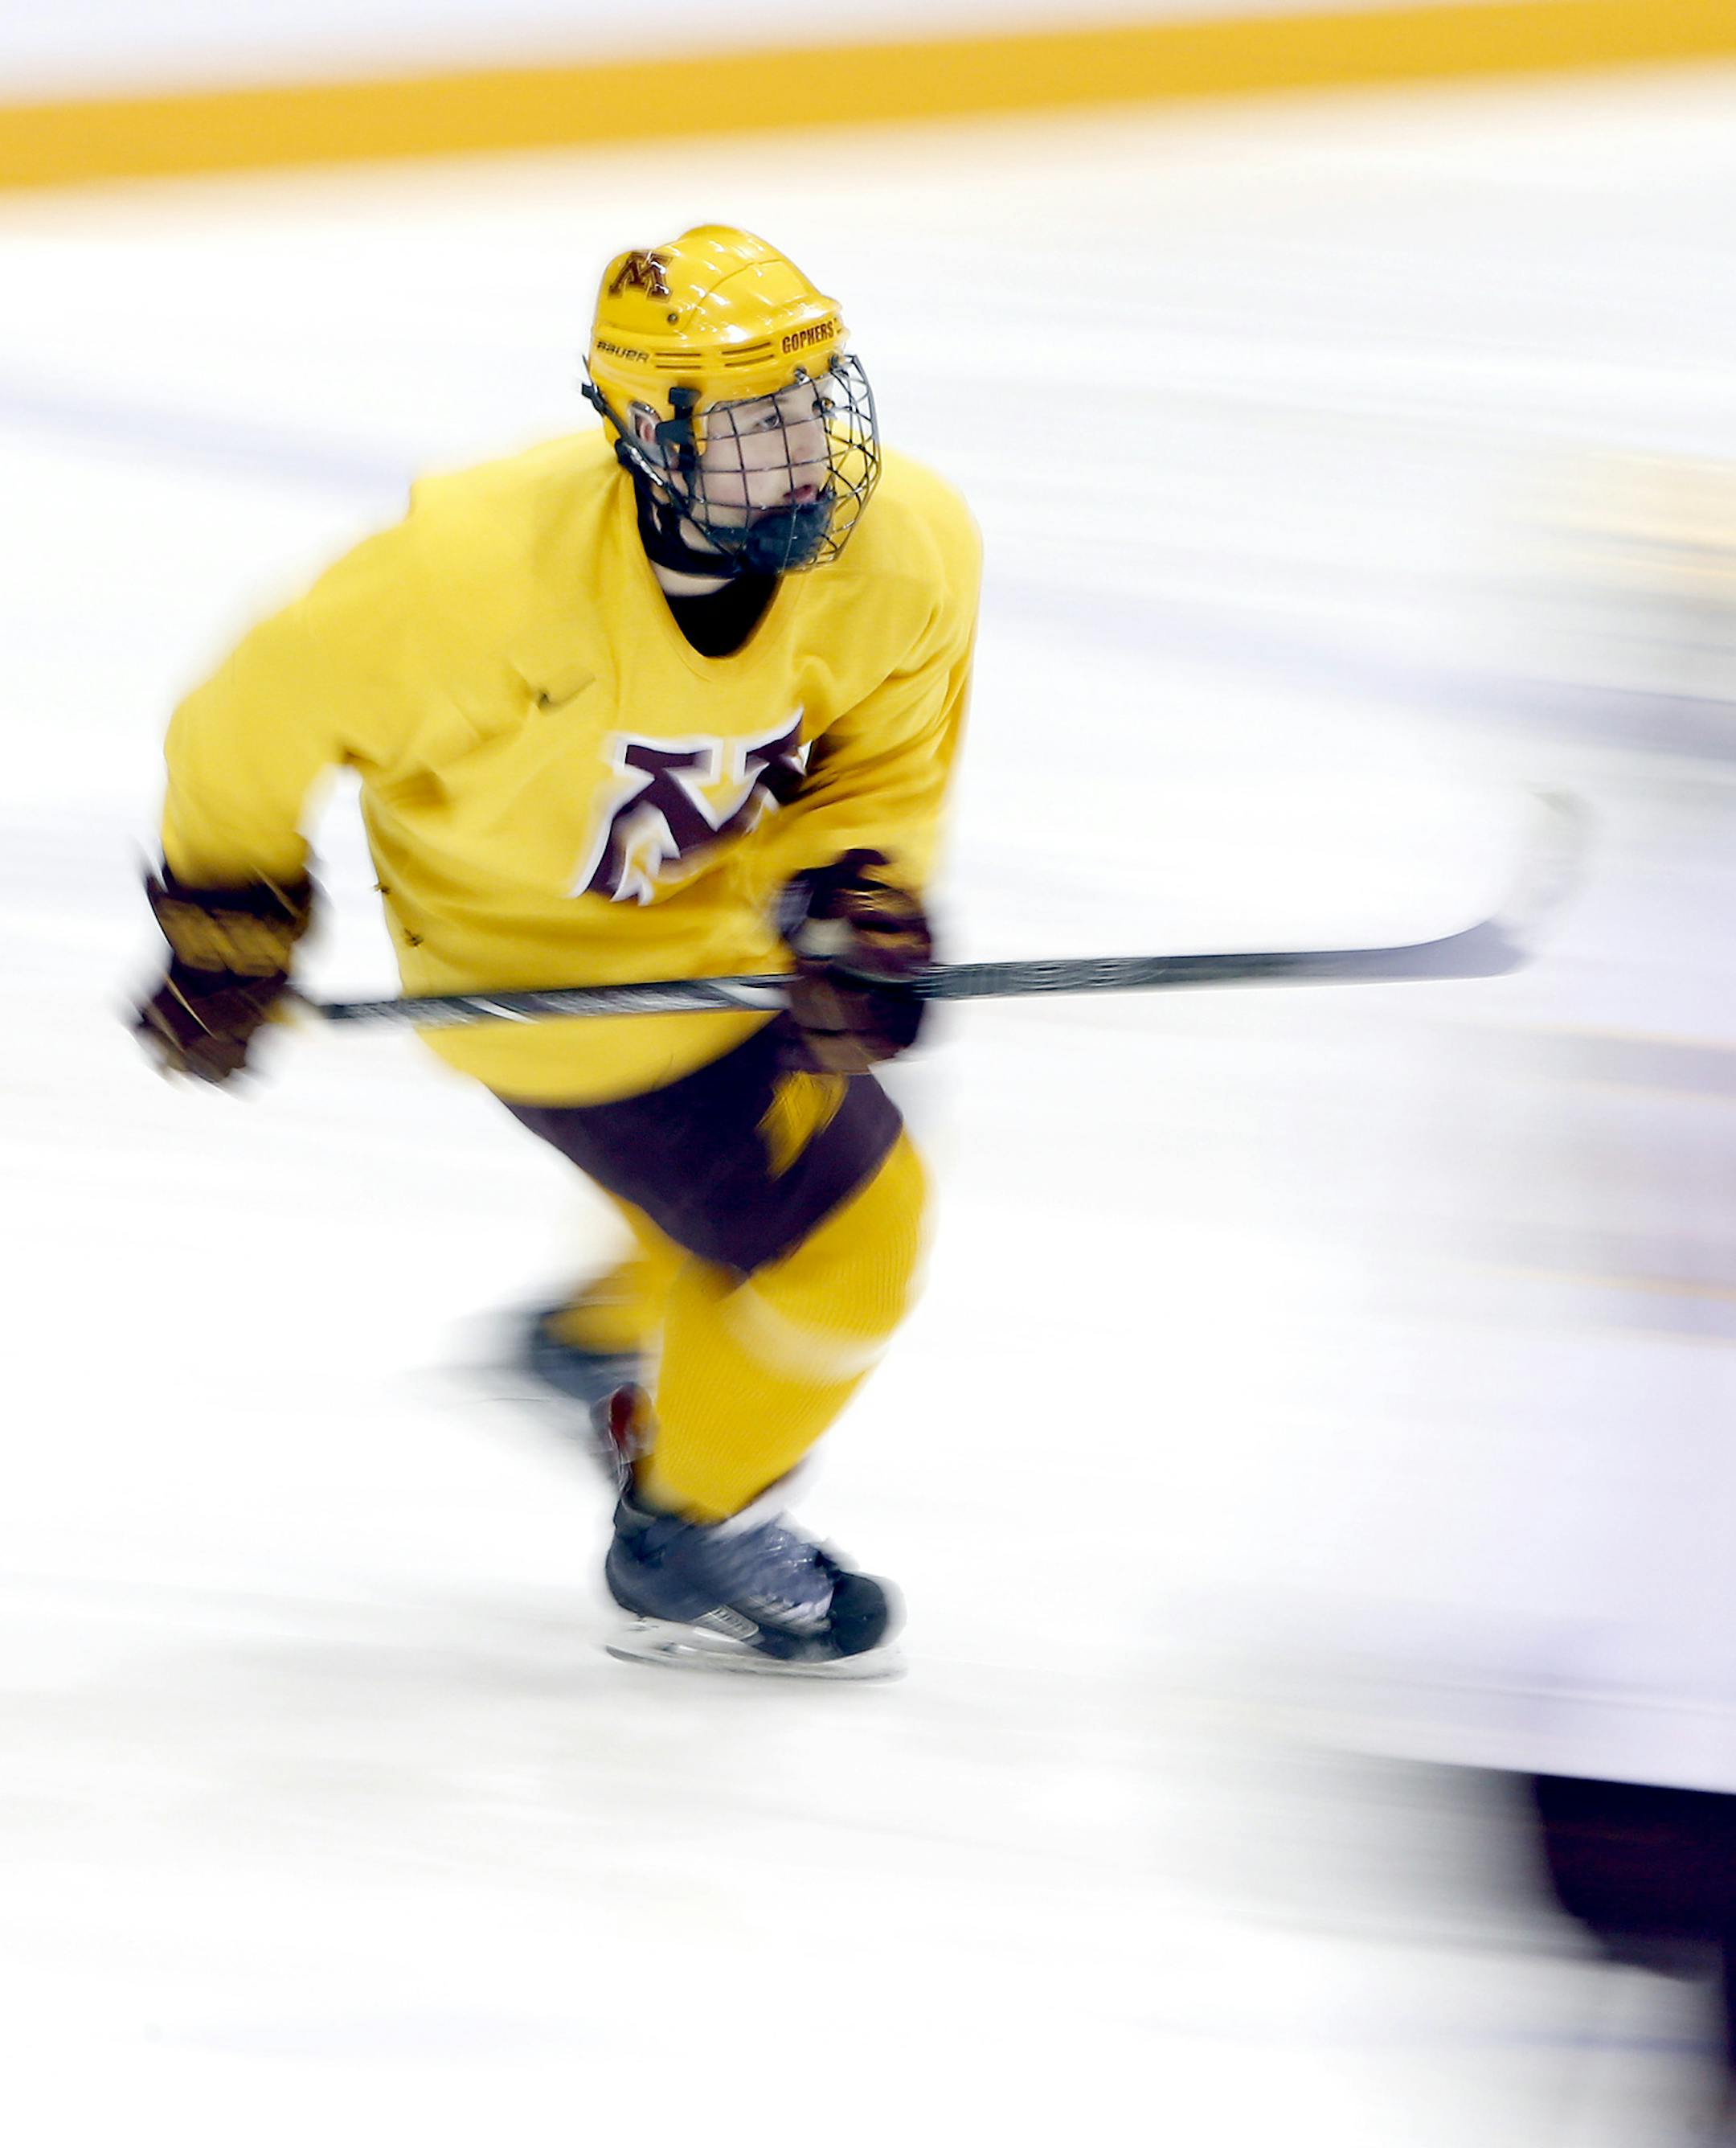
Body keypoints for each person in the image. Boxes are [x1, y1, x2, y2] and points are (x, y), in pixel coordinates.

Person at [133, 225, 981, 1679]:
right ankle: (692, 1529)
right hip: (534, 971)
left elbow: (881, 774)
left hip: (723, 943)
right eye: (754, 426)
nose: (808, 454)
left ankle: (599, 1337)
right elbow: (246, 717)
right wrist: (229, 921)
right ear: (650, 436)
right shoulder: (471, 579)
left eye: (815, 402)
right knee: (852, 1240)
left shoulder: (908, 548)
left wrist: (855, 895)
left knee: (794, 1158)